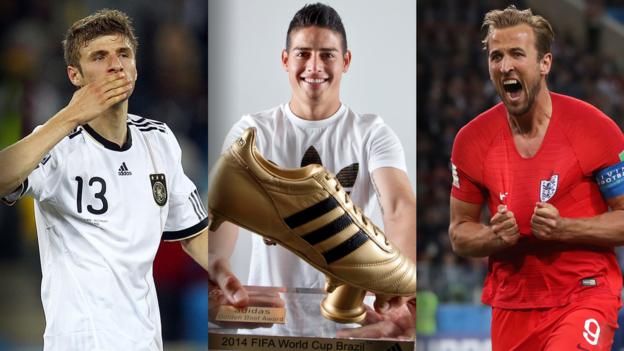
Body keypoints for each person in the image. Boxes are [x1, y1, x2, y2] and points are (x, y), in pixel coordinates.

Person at [0, 9, 208, 350]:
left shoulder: (159, 140)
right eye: (99, 56)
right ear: (75, 75)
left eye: (124, 54)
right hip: (82, 341)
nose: (116, 64)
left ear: (136, 67)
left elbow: (196, 236)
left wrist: (238, 277)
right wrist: (71, 115)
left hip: (144, 340)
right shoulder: (57, 143)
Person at [208, 2, 416, 331]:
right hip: (273, 331)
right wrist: (216, 264)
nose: (315, 66)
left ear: (346, 61)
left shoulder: (372, 133)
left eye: (328, 54)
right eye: (303, 53)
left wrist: (402, 282)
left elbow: (399, 204)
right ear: (285, 60)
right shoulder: (251, 132)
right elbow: (222, 211)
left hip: (351, 328)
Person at [449, 5, 624, 351]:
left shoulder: (595, 129)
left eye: (517, 54)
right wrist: (494, 237)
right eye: (496, 56)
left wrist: (565, 228)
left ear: (545, 63)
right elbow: (459, 234)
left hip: (585, 292)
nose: (505, 66)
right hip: (513, 304)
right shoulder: (471, 141)